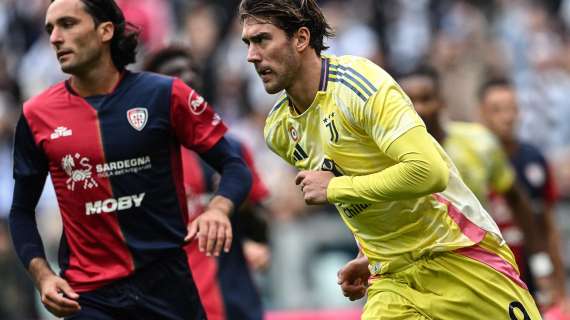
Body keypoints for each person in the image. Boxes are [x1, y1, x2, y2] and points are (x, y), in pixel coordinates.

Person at [239, 0, 542, 318]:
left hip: (458, 255)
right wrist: (366, 253)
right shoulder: (279, 131)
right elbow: (363, 190)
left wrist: (336, 189)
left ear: (300, 39)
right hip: (392, 280)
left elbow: (428, 172)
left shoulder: (358, 86)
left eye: (262, 39)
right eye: (247, 43)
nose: (252, 55)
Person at [9, 0, 252, 319]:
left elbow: (235, 164)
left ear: (105, 30)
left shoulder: (165, 95)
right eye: (50, 28)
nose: (55, 37)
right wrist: (43, 275)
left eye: (67, 24)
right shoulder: (35, 115)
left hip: (168, 288)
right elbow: (21, 210)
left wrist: (219, 209)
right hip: (89, 298)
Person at [398, 67, 554, 300]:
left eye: (426, 99)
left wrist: (540, 263)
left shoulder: (479, 143)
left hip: (484, 265)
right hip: (425, 275)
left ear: (441, 102)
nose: (418, 108)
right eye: (410, 102)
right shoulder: (391, 157)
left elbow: (517, 199)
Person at [144, 45, 270, 320]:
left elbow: (259, 222)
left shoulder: (231, 150)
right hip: (173, 303)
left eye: (192, 70)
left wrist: (248, 225)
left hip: (235, 299)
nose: (188, 77)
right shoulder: (141, 159)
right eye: (176, 72)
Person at [479, 78, 567, 308]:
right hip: (490, 276)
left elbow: (548, 226)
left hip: (531, 271)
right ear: (482, 113)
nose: (506, 117)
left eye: (511, 108)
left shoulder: (533, 159)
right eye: (497, 110)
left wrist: (558, 283)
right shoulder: (473, 163)